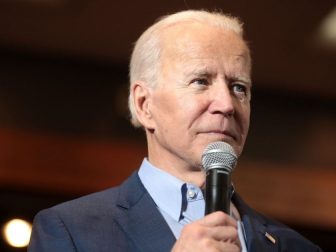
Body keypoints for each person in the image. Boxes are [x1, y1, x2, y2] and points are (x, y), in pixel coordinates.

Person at [28, 10, 322, 252]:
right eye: (200, 81)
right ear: (145, 105)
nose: (226, 104)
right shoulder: (72, 231)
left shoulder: (297, 247)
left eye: (238, 87)